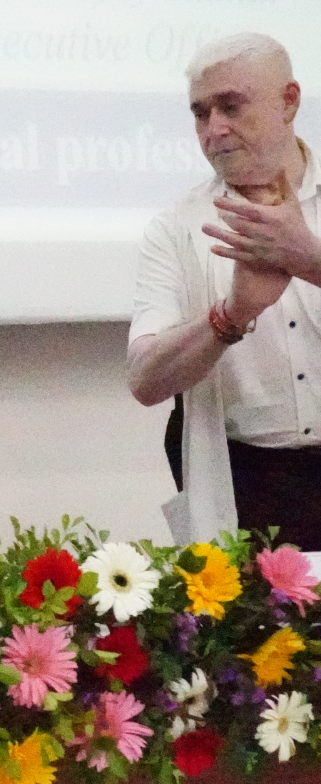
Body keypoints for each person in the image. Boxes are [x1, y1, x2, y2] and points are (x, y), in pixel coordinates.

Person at [127, 33, 321, 547]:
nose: (214, 129)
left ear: (289, 101)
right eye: (200, 113)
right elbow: (144, 381)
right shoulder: (176, 227)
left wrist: (310, 260)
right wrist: (231, 315)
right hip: (247, 483)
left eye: (231, 106)